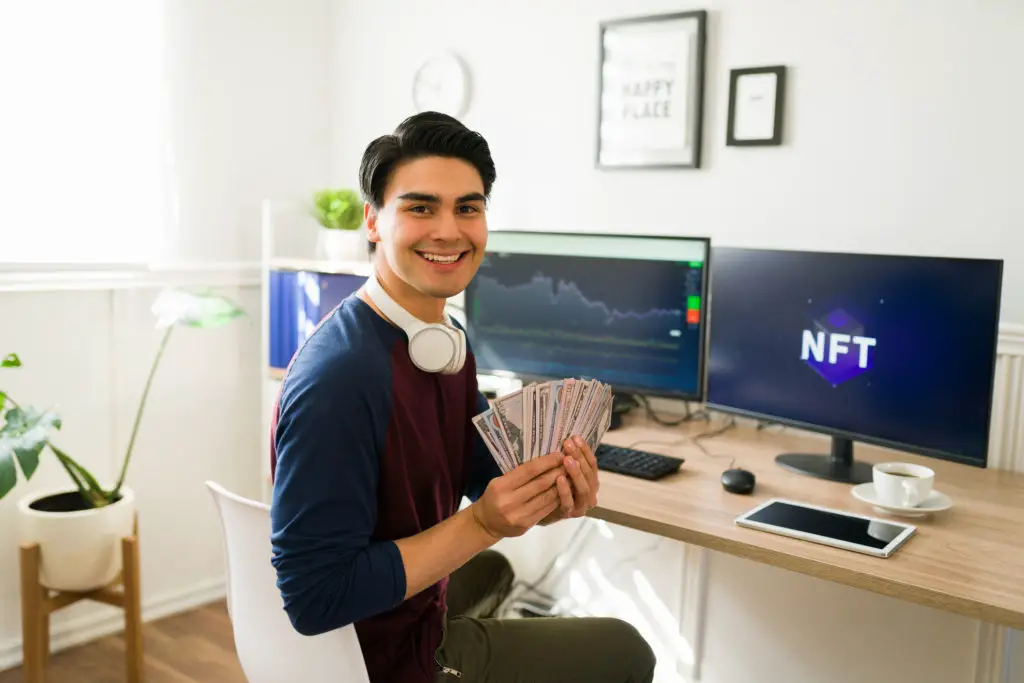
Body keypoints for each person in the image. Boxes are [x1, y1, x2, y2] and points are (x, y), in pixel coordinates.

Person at [269, 111, 657, 683]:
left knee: (496, 568)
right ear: (373, 220)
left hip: (407, 612)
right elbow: (313, 598)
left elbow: (478, 467)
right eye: (421, 207)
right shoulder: (341, 379)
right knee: (628, 649)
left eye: (467, 208)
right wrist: (481, 524)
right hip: (381, 659)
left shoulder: (440, 342)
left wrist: (550, 491)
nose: (449, 231)